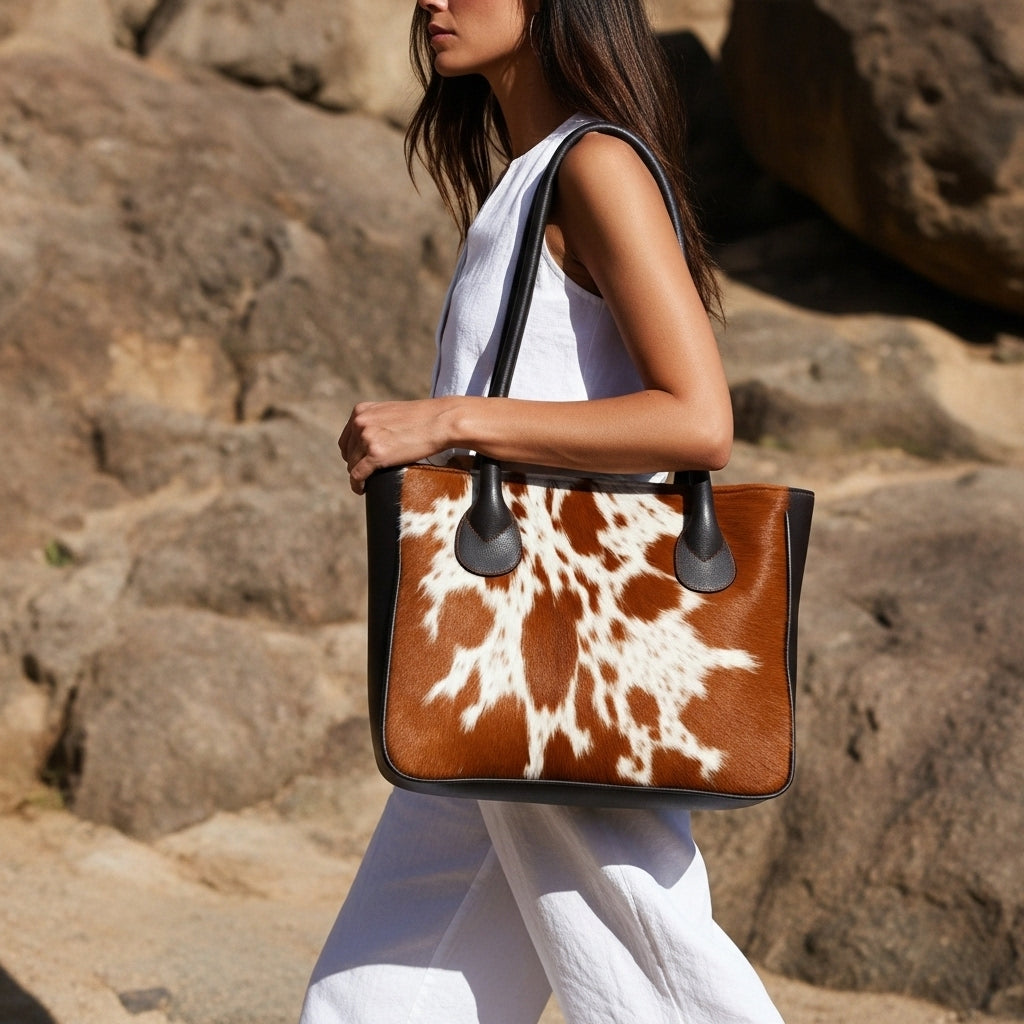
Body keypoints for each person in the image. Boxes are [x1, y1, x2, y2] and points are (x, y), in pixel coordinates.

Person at [300, 1, 785, 1022]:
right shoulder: (523, 181)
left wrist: (448, 419)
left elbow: (698, 420)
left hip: (566, 647)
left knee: (661, 981)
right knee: (375, 999)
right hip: (494, 659)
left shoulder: (593, 165)